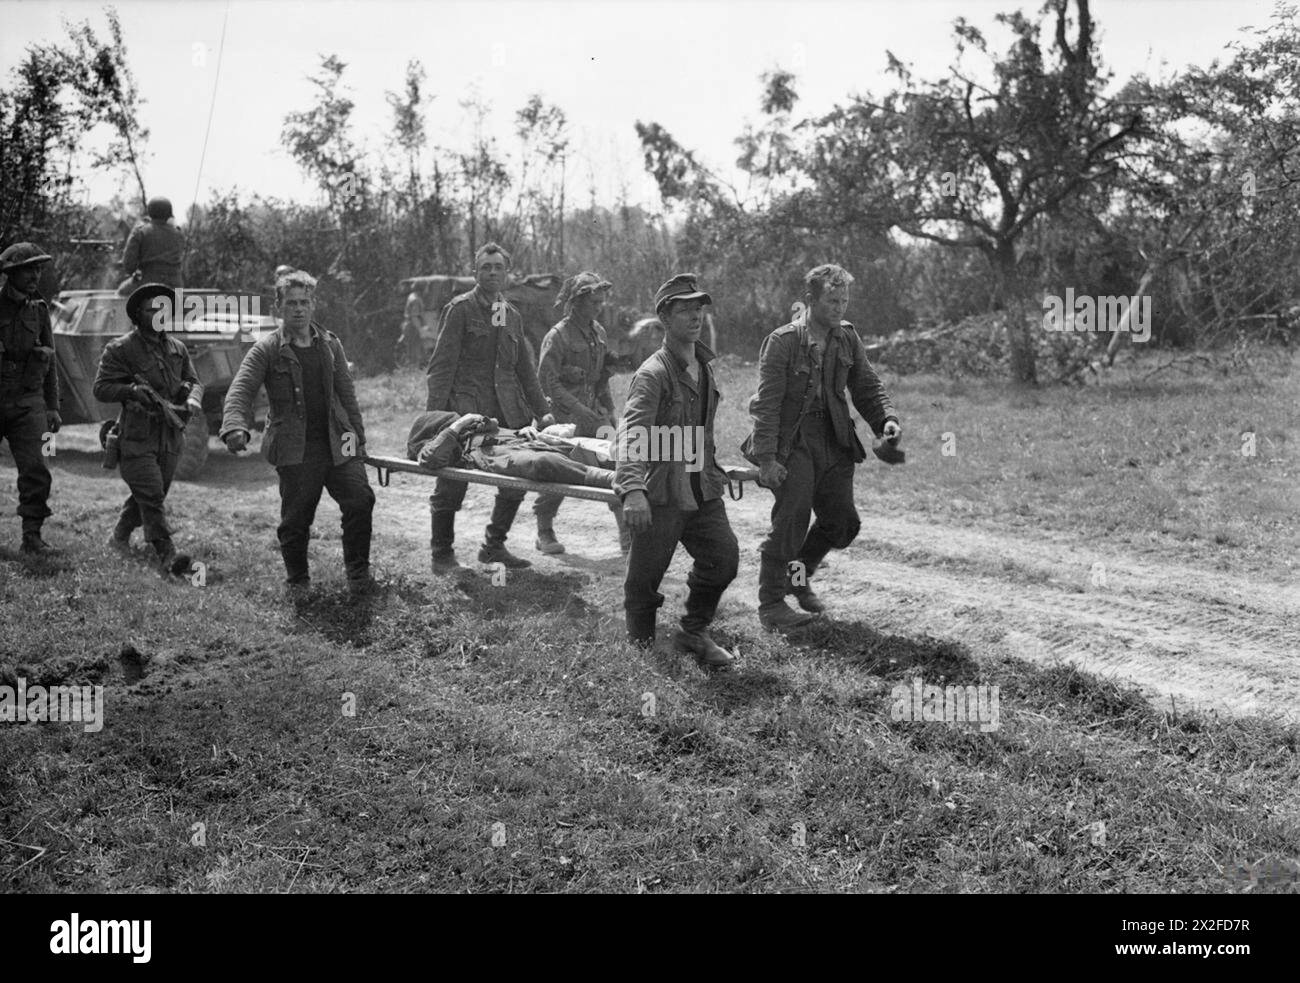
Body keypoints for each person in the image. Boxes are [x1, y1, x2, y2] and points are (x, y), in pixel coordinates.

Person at [745, 263, 901, 631]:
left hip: (833, 438)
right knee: (793, 518)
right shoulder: (784, 341)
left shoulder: (847, 337)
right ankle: (770, 604)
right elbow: (767, 403)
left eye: (844, 300)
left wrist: (885, 421)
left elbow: (865, 385)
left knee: (842, 522)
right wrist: (767, 459)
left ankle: (796, 579)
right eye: (832, 300)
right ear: (810, 300)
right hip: (792, 440)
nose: (840, 307)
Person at [221, 270, 376, 595]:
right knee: (296, 518)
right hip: (296, 448)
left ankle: (358, 576)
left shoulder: (331, 344)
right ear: (279, 306)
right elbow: (241, 389)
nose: (298, 309)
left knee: (361, 500)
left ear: (314, 304)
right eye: (291, 303)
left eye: (304, 302)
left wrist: (358, 439)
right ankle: (298, 582)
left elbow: (347, 396)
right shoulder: (266, 349)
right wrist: (234, 425)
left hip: (338, 442)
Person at [614, 274, 738, 669]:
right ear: (664, 318)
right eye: (684, 309)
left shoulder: (703, 365)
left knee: (724, 560)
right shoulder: (653, 374)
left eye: (699, 308)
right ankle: (640, 653)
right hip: (664, 490)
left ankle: (693, 631)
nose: (695, 316)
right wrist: (633, 490)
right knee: (644, 581)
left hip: (701, 488)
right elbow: (633, 435)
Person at [424, 243, 555, 573]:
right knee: (452, 483)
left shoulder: (512, 315)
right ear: (475, 273)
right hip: (466, 414)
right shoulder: (460, 310)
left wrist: (543, 411)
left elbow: (525, 369)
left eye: (499, 267)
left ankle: (493, 547)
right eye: (486, 267)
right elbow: (441, 367)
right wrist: (436, 419)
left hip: (507, 415)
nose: (493, 272)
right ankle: (442, 555)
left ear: (508, 273)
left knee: (514, 481)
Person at [93, 282, 203, 575]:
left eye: (163, 308)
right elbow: (101, 388)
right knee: (152, 493)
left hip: (170, 435)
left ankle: (118, 535)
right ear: (137, 315)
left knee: (154, 492)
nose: (158, 313)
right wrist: (131, 391)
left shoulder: (177, 348)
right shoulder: (120, 349)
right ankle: (167, 554)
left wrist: (191, 399)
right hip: (136, 434)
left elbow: (196, 382)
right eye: (151, 308)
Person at [534, 271, 628, 554]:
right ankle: (545, 532)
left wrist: (610, 411)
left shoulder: (598, 333)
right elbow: (546, 381)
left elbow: (602, 377)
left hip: (594, 415)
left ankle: (627, 535)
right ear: (576, 302)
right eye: (593, 302)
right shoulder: (557, 337)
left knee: (615, 467)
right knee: (559, 475)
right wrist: (577, 409)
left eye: (601, 302)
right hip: (563, 421)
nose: (599, 307)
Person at [0, 242, 61, 554]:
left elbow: (50, 361)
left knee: (37, 467)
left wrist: (52, 406)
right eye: (28, 269)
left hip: (28, 399)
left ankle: (32, 536)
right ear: (11, 273)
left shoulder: (39, 310)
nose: (35, 275)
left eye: (38, 269)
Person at [406, 411, 613, 489]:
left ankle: (639, 470)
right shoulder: (447, 440)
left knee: (597, 446)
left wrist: (526, 430)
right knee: (543, 463)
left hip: (523, 440)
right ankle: (613, 479)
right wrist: (457, 426)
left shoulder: (478, 428)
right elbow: (429, 459)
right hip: (494, 453)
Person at [120, 197, 185, 291]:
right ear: (169, 214)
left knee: (121, 292)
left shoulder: (140, 232)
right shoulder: (178, 234)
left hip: (148, 284)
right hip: (175, 287)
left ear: (150, 212)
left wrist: (136, 272)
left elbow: (128, 265)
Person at [396, 290, 429, 367]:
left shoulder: (412, 296)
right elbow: (414, 316)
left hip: (410, 325)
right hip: (413, 327)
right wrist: (420, 329)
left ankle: (415, 367)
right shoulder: (415, 299)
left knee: (413, 349)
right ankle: (413, 368)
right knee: (414, 350)